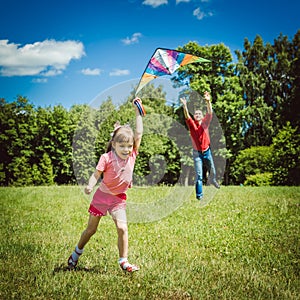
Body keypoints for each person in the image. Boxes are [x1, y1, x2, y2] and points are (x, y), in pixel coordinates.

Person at [67, 98, 143, 272]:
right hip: (101, 197)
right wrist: (89, 185)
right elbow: (96, 175)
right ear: (114, 144)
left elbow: (138, 133)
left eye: (129, 146)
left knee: (122, 228)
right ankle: (76, 253)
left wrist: (138, 112)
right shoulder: (106, 158)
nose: (126, 149)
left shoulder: (132, 155)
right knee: (91, 230)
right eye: (122, 146)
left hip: (118, 199)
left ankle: (124, 261)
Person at [180, 91, 220, 200]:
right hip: (197, 153)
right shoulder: (192, 125)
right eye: (196, 114)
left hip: (207, 151)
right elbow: (187, 116)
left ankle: (213, 179)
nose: (197, 115)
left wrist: (208, 101)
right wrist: (185, 106)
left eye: (199, 114)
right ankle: (199, 196)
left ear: (202, 117)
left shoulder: (205, 123)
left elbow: (210, 112)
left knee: (213, 170)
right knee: (199, 175)